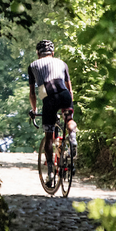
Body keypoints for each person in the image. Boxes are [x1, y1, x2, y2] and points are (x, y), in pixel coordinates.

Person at [28, 39, 77, 180]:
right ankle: (72, 138)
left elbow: (32, 94)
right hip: (64, 95)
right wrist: (69, 106)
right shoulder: (62, 63)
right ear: (53, 53)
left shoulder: (32, 66)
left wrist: (34, 109)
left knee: (49, 136)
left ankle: (50, 171)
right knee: (69, 120)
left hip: (49, 99)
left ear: (38, 54)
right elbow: (70, 89)